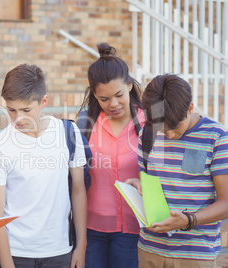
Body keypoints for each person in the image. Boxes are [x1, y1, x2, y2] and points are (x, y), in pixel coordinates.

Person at [0, 63, 87, 268]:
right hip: (15, 254)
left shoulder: (68, 133)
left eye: (26, 110)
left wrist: (81, 246)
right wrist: (7, 265)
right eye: (11, 109)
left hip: (60, 251)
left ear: (44, 101)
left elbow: (78, 191)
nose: (18, 118)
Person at [137, 74, 228, 267]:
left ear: (190, 108)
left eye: (175, 126)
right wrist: (137, 185)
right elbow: (150, 186)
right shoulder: (146, 134)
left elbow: (226, 202)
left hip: (195, 255)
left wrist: (189, 220)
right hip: (149, 249)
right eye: (162, 127)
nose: (169, 134)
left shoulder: (217, 137)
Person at [78, 43, 145, 268]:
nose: (113, 104)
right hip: (90, 230)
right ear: (94, 95)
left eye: (119, 95)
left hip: (133, 230)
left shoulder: (148, 124)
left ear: (129, 85)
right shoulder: (86, 124)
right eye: (104, 99)